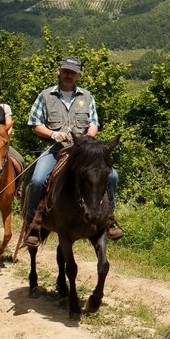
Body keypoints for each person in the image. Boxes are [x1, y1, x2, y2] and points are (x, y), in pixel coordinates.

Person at [23, 56, 123, 247]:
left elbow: (93, 124)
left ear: (78, 75)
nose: (69, 75)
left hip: (82, 152)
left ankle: (109, 219)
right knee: (37, 180)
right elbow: (35, 125)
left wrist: (87, 140)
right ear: (59, 71)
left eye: (73, 72)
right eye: (66, 71)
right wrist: (53, 134)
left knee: (112, 177)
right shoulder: (45, 96)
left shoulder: (87, 97)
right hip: (54, 150)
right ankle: (33, 223)